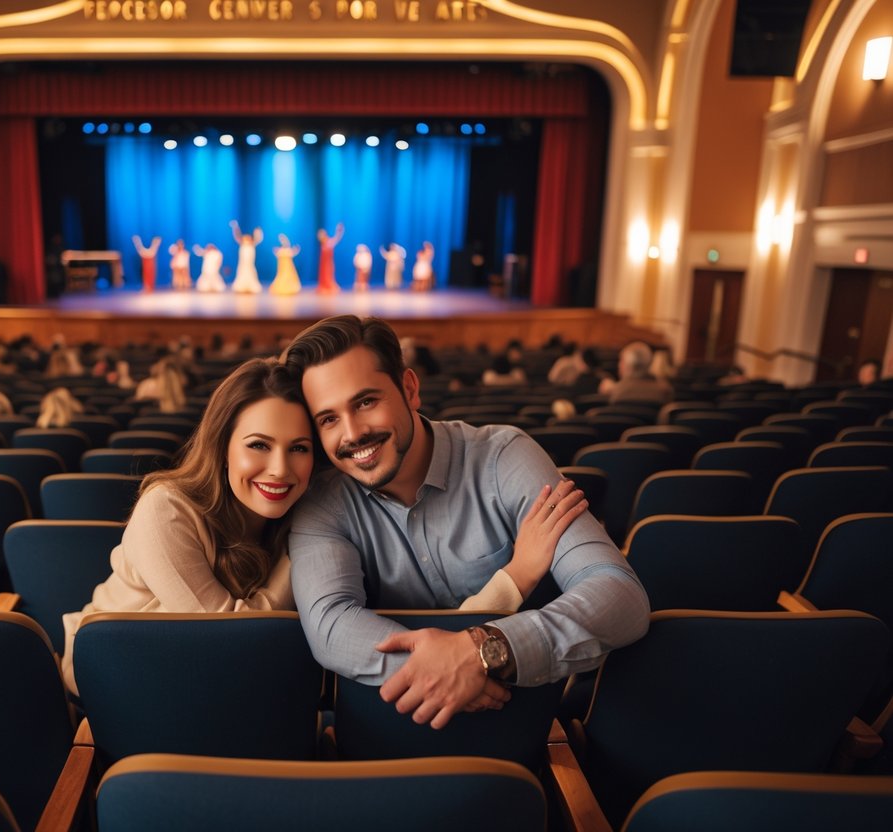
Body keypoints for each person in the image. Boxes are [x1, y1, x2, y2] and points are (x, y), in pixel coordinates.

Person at [283, 315, 649, 730]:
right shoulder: (322, 503)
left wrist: (485, 650)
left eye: (366, 402)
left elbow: (620, 595)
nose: (352, 434)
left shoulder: (503, 458)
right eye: (328, 419)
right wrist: (452, 667)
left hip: (518, 740)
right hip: (386, 744)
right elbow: (331, 624)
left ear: (409, 388)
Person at [60, 358, 313, 694]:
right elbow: (226, 637)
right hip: (117, 672)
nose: (280, 469)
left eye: (298, 448)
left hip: (208, 677)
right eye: (258, 445)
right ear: (222, 448)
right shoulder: (165, 508)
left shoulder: (301, 511)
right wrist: (303, 546)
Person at [599, 341, 674, 404]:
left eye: (621, 361)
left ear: (628, 366)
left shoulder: (617, 392)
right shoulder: (665, 390)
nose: (619, 365)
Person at [230, 221, 264, 293]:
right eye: (245, 238)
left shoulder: (252, 244)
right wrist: (235, 227)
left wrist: (258, 232)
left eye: (248, 238)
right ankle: (241, 287)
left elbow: (259, 239)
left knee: (250, 270)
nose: (247, 239)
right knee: (242, 270)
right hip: (243, 263)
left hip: (249, 263)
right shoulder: (242, 243)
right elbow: (237, 235)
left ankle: (251, 287)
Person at [316, 223, 344, 294]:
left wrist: (339, 231)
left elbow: (337, 238)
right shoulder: (323, 244)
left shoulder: (329, 242)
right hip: (323, 265)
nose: (320, 238)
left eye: (321, 235)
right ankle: (324, 286)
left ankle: (328, 286)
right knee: (324, 276)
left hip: (328, 265)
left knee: (328, 276)